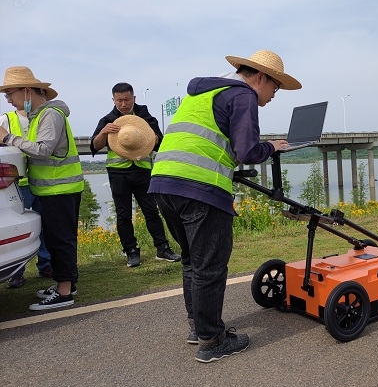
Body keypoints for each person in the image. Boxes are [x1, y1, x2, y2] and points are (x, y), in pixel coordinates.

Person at [149, 50, 301, 363]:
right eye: (276, 87)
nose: (275, 95)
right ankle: (213, 341)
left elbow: (212, 140)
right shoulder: (242, 94)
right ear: (260, 77)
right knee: (211, 265)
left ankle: (199, 328)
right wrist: (271, 146)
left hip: (164, 184)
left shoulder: (203, 93)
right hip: (200, 188)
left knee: (192, 260)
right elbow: (246, 150)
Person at [0, 66, 83, 311]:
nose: (9, 100)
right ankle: (65, 283)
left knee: (60, 240)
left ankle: (64, 292)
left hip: (59, 189)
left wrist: (6, 137)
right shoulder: (41, 115)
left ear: (27, 91)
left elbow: (43, 149)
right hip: (53, 190)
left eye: (10, 94)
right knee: (60, 239)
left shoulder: (50, 114)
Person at [90, 83, 180, 267]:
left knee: (152, 211)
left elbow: (160, 143)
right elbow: (95, 145)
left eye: (127, 100)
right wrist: (104, 132)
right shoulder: (108, 119)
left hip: (142, 171)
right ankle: (131, 251)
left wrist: (152, 137)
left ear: (134, 99)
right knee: (123, 215)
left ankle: (162, 248)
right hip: (118, 173)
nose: (123, 104)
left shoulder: (145, 117)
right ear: (113, 100)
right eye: (119, 100)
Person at [0, 108, 52, 288]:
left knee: (44, 225)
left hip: (39, 179)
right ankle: (16, 273)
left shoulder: (40, 118)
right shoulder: (7, 119)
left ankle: (46, 265)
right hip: (16, 184)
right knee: (16, 229)